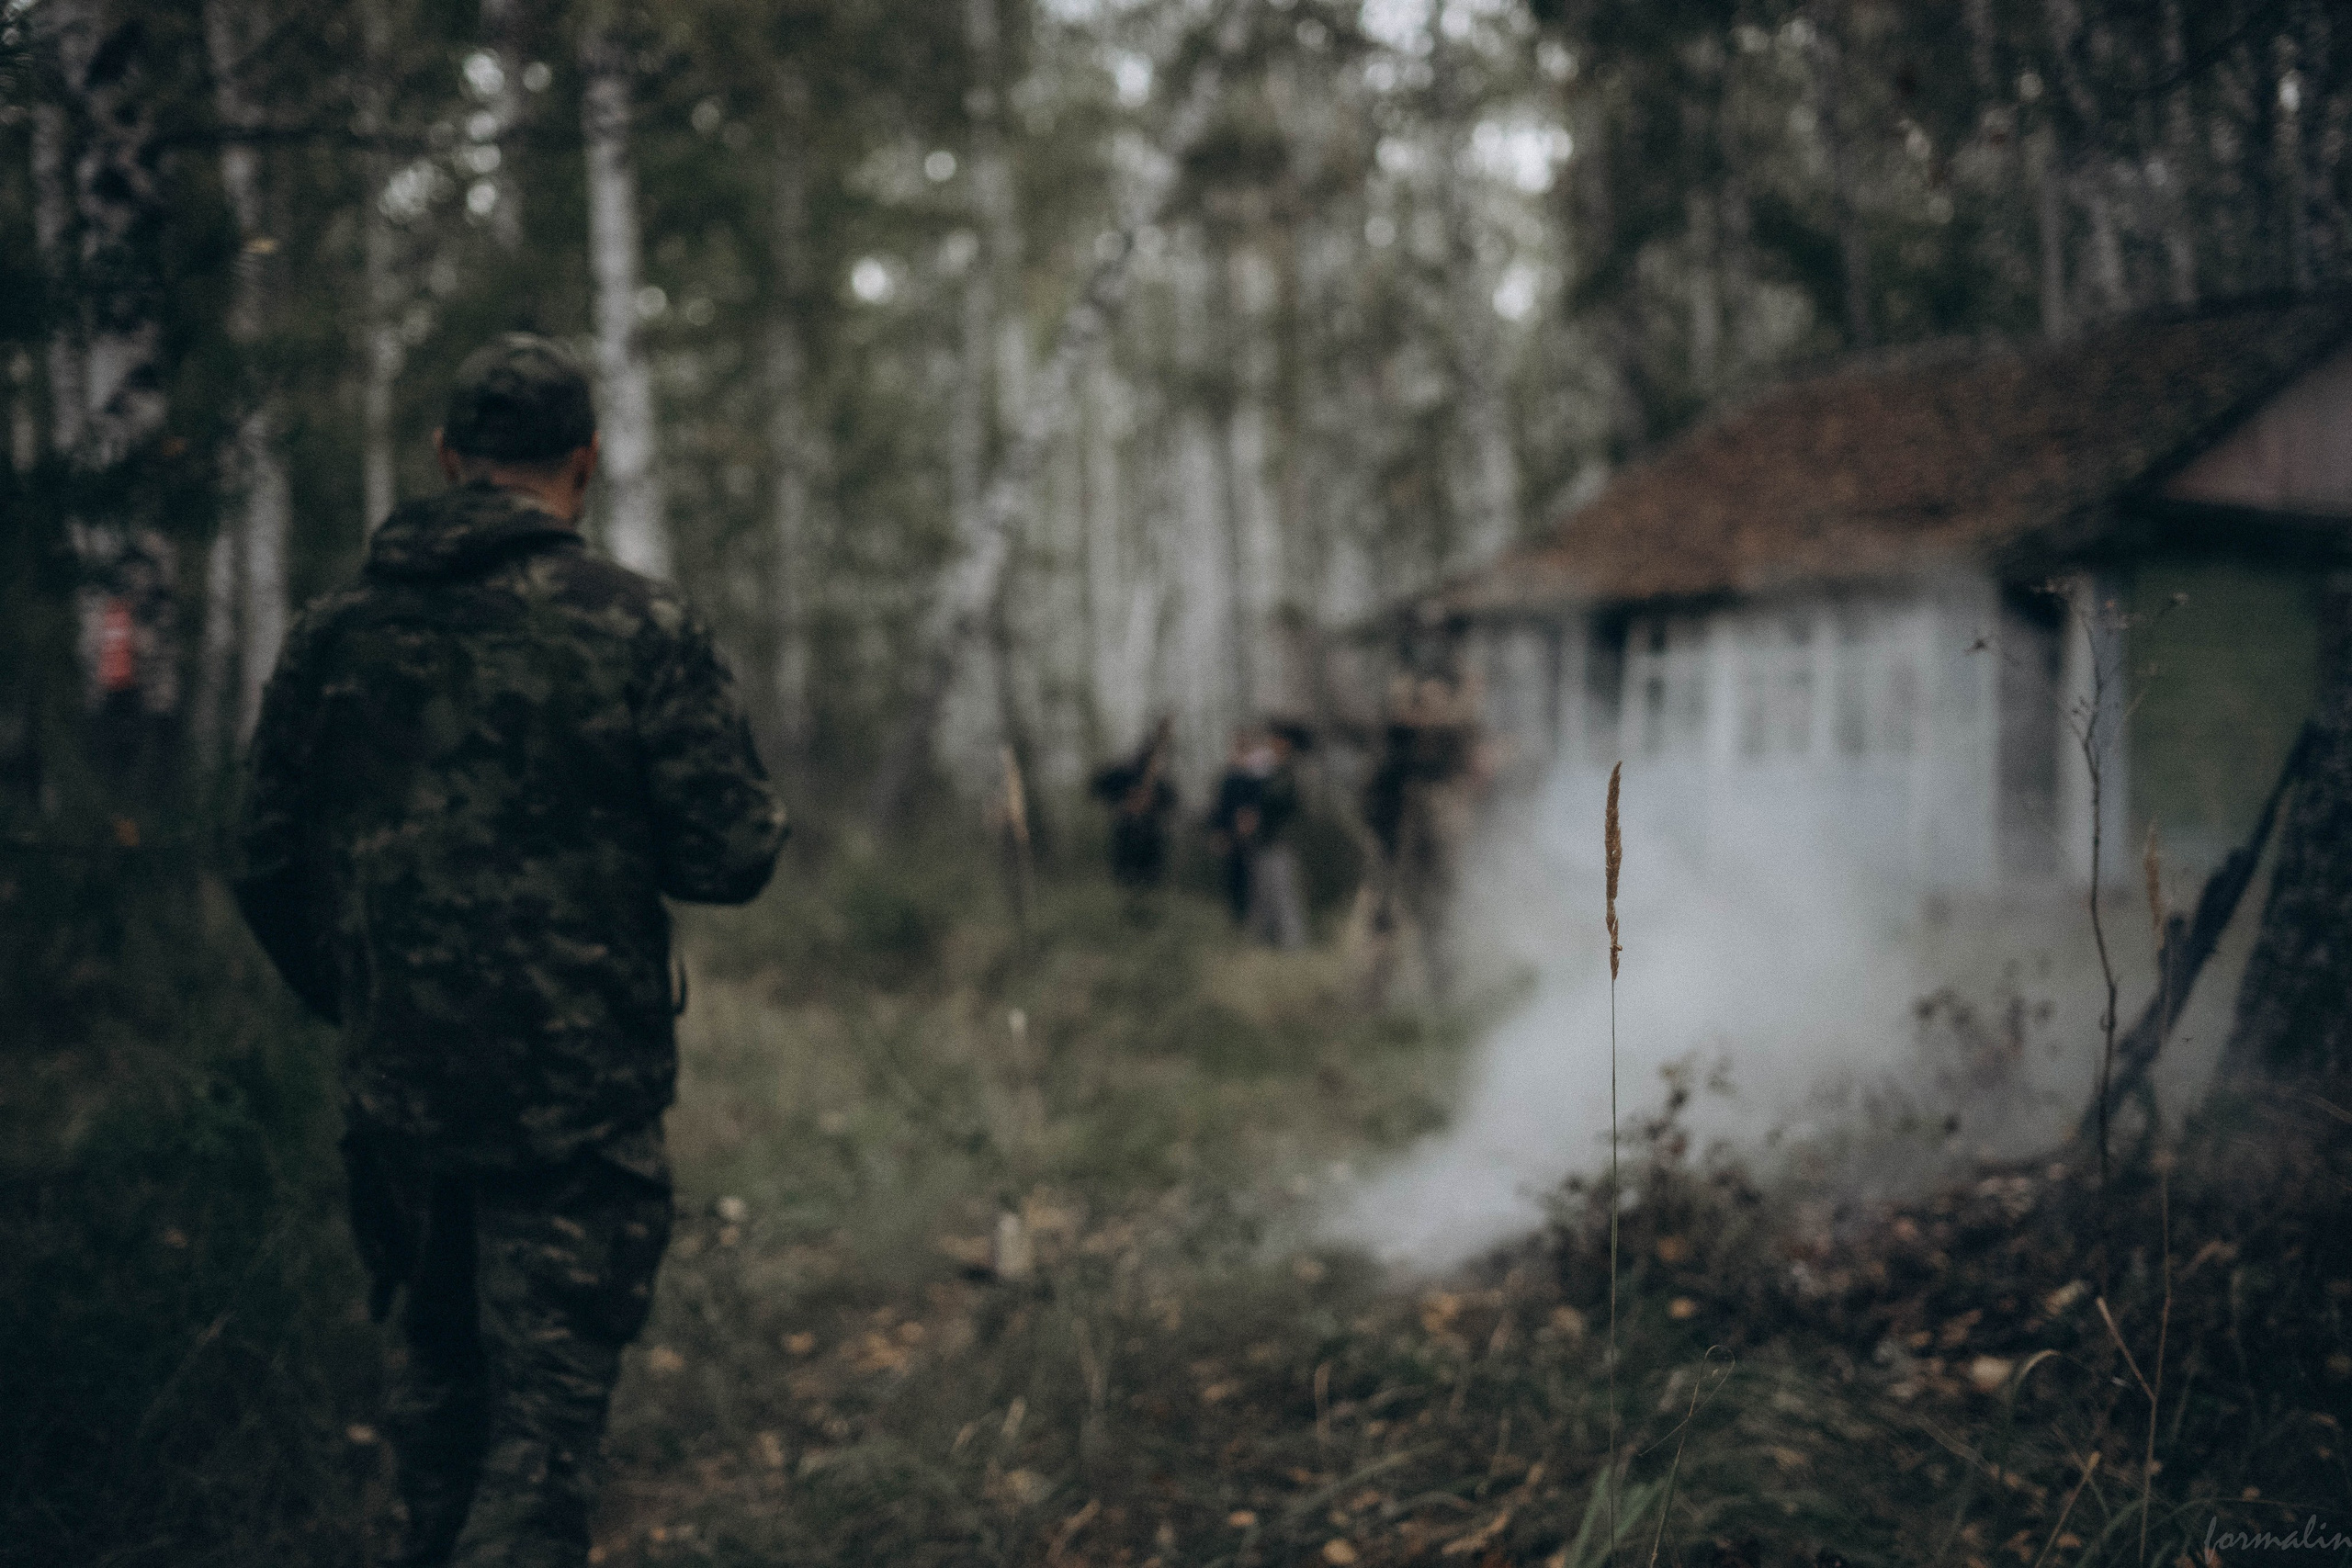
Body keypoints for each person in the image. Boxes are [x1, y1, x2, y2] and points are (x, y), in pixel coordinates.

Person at [232, 333, 786, 1568]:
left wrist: (361, 993)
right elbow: (733, 854)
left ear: (445, 458)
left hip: (402, 1098)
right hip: (579, 1108)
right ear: (584, 462)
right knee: (539, 1445)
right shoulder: (641, 626)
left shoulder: (335, 635)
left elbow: (263, 857)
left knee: (437, 1405)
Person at [1357, 673, 1487, 1000]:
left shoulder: (1450, 743)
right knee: (1386, 917)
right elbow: (1374, 794)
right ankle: (1375, 993)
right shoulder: (1398, 743)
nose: (1430, 711)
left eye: (1438, 703)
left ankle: (1440, 988)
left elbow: (1463, 731)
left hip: (1432, 850)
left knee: (1437, 917)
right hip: (1395, 849)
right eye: (1425, 702)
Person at [1090, 716, 1177, 890]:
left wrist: (1154, 800)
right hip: (1126, 831)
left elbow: (1171, 801)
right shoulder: (1125, 772)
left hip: (1151, 835)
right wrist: (1125, 798)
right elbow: (1097, 786)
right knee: (1126, 877)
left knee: (1151, 878)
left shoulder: (1161, 781)